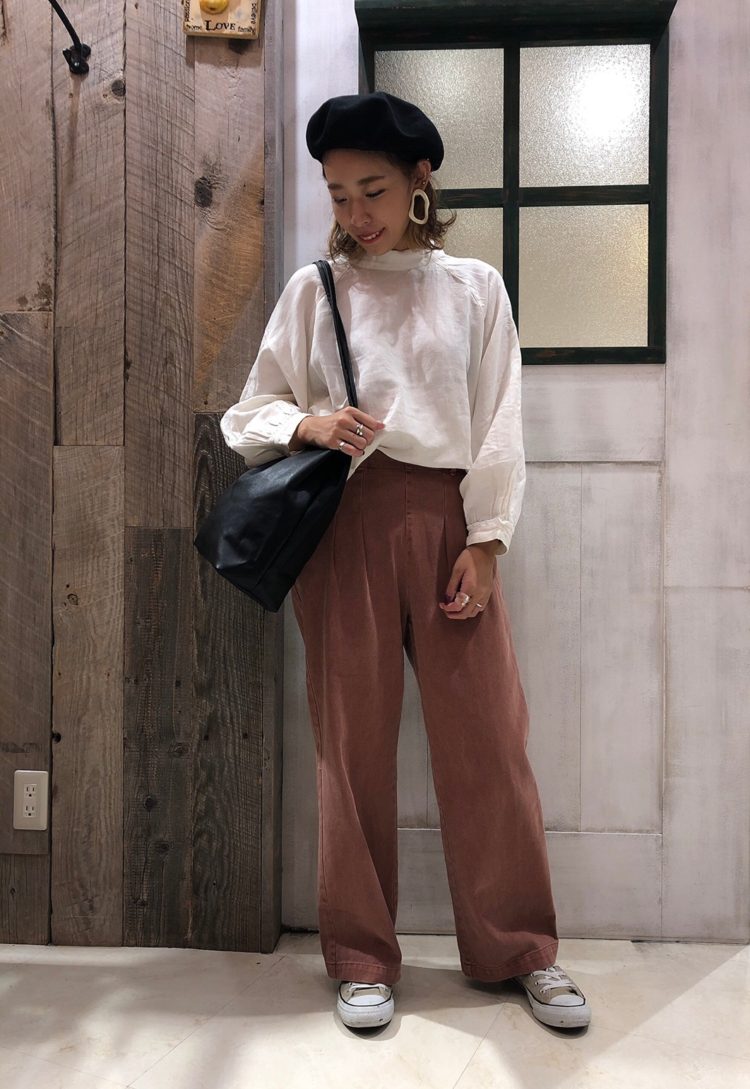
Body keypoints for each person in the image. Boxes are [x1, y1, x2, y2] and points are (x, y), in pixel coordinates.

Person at [220, 91, 591, 1033]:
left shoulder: (473, 288)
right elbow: (247, 413)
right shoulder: (315, 290)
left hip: (448, 522)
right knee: (351, 747)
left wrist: (487, 540)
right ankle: (361, 954)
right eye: (339, 194)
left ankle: (520, 948)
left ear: (420, 179)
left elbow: (499, 419)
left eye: (373, 190)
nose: (356, 213)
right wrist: (309, 422)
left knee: (490, 740)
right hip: (342, 524)